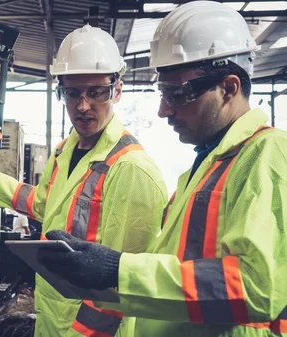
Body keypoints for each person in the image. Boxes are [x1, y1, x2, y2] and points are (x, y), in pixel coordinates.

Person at [38, 2, 287, 337]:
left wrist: (117, 270)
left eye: (178, 94)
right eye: (162, 93)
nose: (162, 111)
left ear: (228, 88)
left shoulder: (268, 155)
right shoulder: (208, 167)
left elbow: (256, 288)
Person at [0, 24, 167, 337]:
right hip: (52, 317)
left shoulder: (132, 169)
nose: (82, 106)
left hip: (87, 330)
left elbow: (120, 286)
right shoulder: (66, 150)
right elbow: (43, 203)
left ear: (116, 90)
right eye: (72, 93)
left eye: (96, 92)